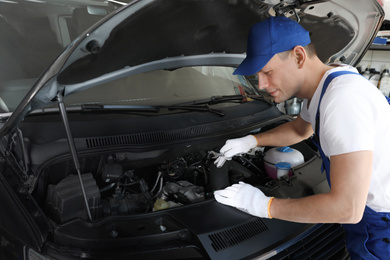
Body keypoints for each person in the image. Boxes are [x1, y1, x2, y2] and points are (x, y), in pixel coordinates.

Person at [213, 16, 390, 259]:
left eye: (267, 72)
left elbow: (347, 208)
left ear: (298, 56)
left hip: (382, 228)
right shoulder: (328, 83)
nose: (261, 84)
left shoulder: (343, 100)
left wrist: (265, 206)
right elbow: (300, 130)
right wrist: (251, 141)